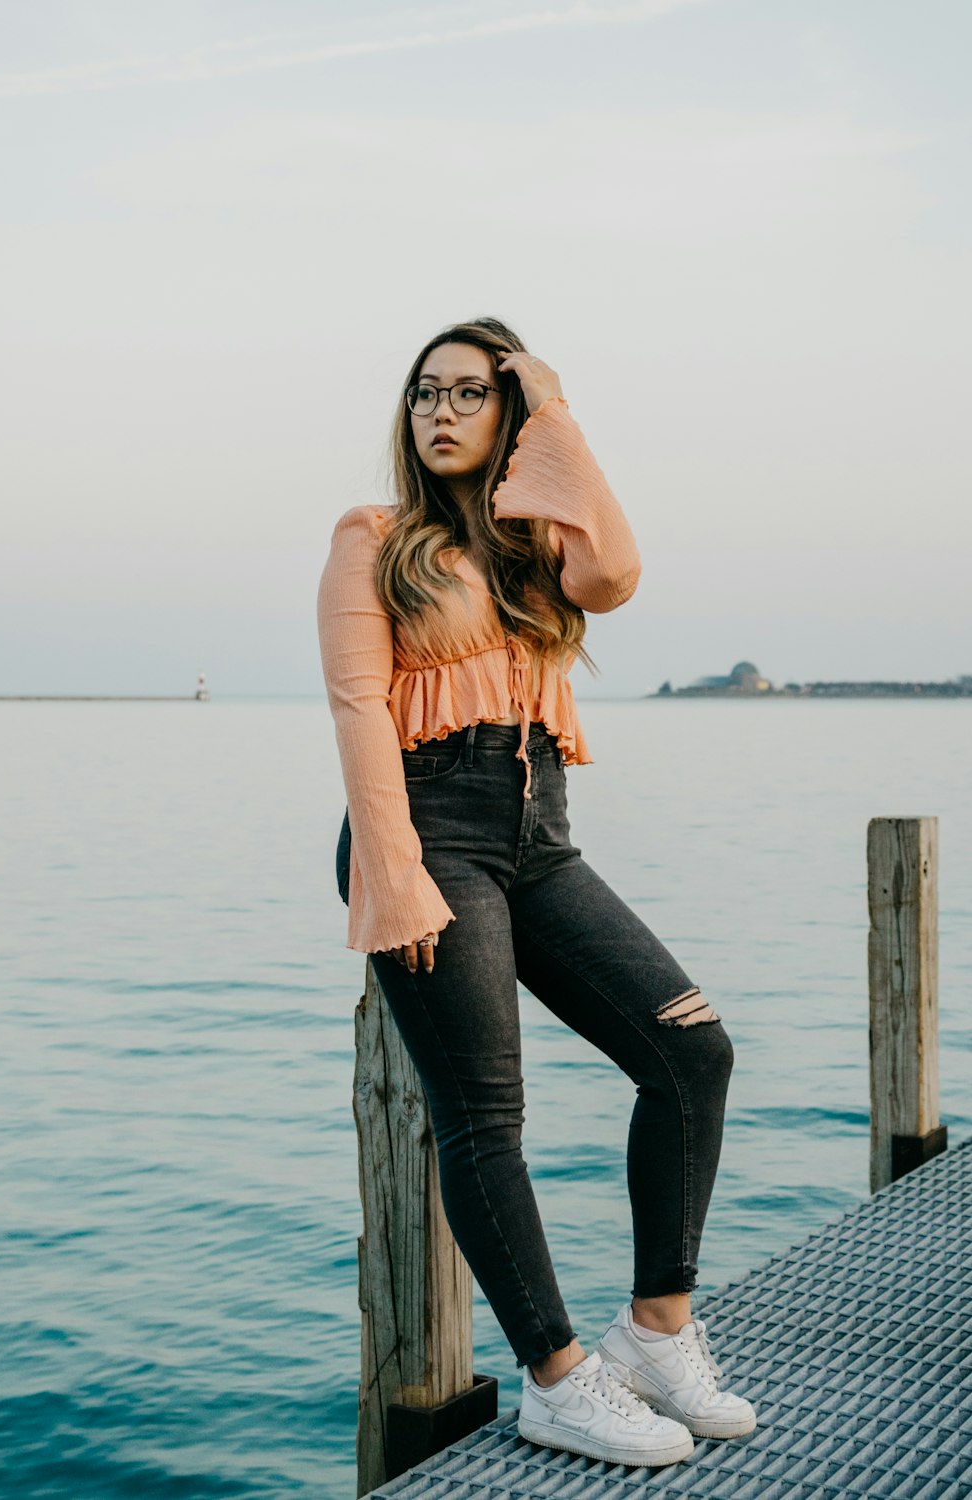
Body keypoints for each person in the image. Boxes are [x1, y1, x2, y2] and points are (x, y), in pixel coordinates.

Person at [317, 316, 756, 1468]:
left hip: (539, 833)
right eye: (425, 394)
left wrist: (555, 410)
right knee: (487, 1116)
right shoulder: (373, 537)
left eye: (472, 393)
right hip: (427, 829)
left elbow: (613, 570)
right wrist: (393, 875)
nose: (442, 413)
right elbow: (361, 708)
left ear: (507, 417)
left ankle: (657, 1331)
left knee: (690, 1052)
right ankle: (556, 1378)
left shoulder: (533, 547)